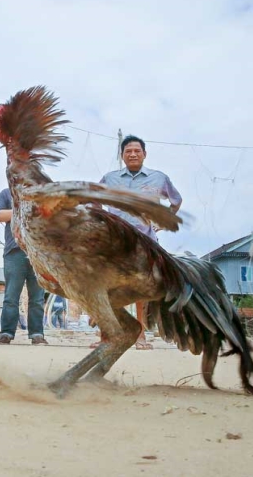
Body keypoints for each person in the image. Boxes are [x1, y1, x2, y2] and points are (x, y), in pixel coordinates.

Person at [99, 135, 182, 349]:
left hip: (144, 242)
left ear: (144, 154)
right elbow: (95, 201)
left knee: (140, 288)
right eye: (128, 151)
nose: (133, 154)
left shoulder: (159, 178)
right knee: (106, 286)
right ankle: (106, 337)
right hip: (114, 242)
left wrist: (161, 223)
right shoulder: (110, 178)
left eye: (137, 151)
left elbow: (176, 201)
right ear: (122, 155)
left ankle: (140, 335)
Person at [0, 188, 48, 345]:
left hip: (39, 253)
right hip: (14, 252)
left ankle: (37, 334)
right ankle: (6, 333)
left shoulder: (42, 194)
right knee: (11, 297)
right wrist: (23, 211)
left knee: (37, 297)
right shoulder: (5, 194)